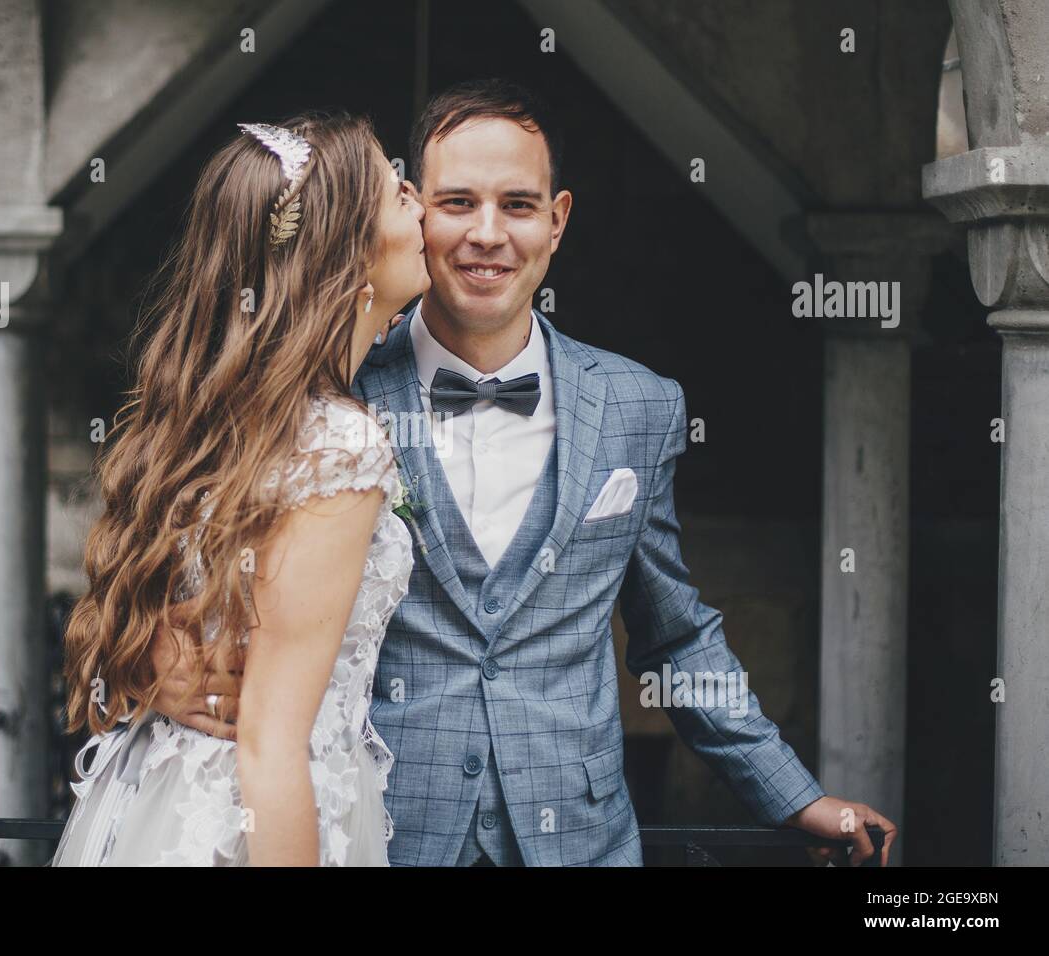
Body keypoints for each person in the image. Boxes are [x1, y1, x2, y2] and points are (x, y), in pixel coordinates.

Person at [152, 79, 898, 867]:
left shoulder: (638, 407)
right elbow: (174, 566)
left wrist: (795, 796)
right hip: (386, 837)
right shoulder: (329, 395)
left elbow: (677, 637)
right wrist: (155, 668)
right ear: (413, 211)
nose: (487, 234)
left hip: (580, 842)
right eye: (456, 203)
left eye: (517, 205)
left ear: (556, 220)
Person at [52, 110, 429, 865]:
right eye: (397, 192)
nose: (419, 201)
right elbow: (271, 741)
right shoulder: (340, 445)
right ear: (348, 250)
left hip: (165, 800)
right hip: (253, 815)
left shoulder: (218, 413)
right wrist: (152, 662)